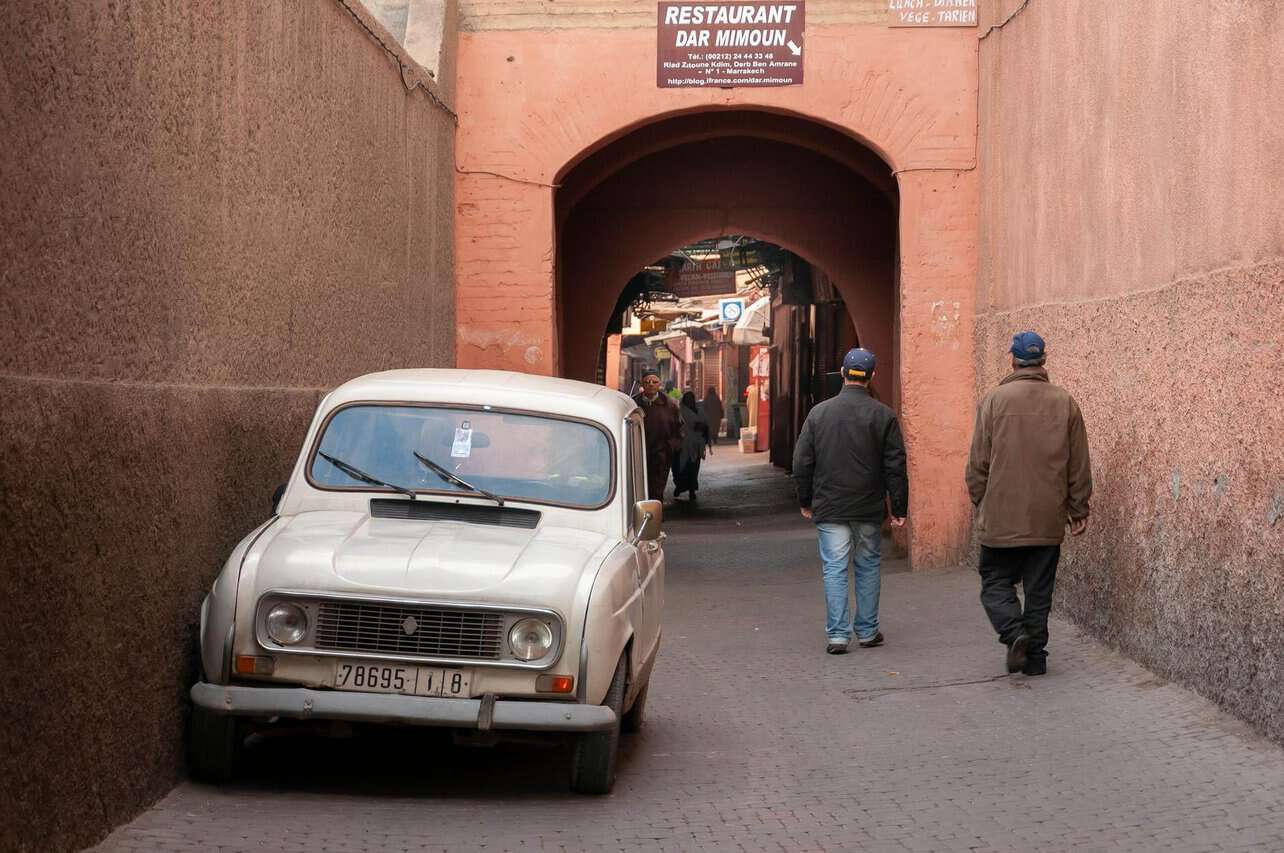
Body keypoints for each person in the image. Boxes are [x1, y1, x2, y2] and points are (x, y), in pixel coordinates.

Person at [966, 331, 1092, 677]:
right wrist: (1078, 508)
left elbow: (979, 463)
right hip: (1048, 516)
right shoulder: (1065, 402)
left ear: (1013, 360)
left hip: (1002, 518)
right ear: (1044, 361)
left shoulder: (994, 401)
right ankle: (1035, 659)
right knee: (1039, 591)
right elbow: (1078, 462)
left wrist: (981, 500)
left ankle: (1013, 631)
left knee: (994, 581)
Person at [793, 348, 908, 655]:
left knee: (834, 567)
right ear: (872, 376)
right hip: (868, 505)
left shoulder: (819, 413)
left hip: (830, 504)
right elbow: (895, 465)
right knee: (868, 564)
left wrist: (805, 500)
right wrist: (898, 507)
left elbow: (802, 461)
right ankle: (868, 631)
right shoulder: (883, 414)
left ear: (843, 374)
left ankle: (838, 636)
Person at [634, 371, 684, 502]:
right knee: (639, 485)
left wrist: (671, 447)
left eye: (654, 382)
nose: (651, 385)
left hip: (661, 453)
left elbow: (679, 430)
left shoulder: (670, 405)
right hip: (638, 453)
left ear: (659, 384)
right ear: (642, 384)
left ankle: (655, 515)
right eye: (647, 382)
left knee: (657, 487)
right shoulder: (633, 404)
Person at [672, 391, 709, 500]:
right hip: (682, 445)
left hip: (694, 446)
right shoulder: (679, 412)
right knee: (680, 468)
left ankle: (691, 490)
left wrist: (700, 428)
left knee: (692, 469)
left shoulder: (698, 411)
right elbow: (674, 425)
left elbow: (705, 426)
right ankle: (680, 487)